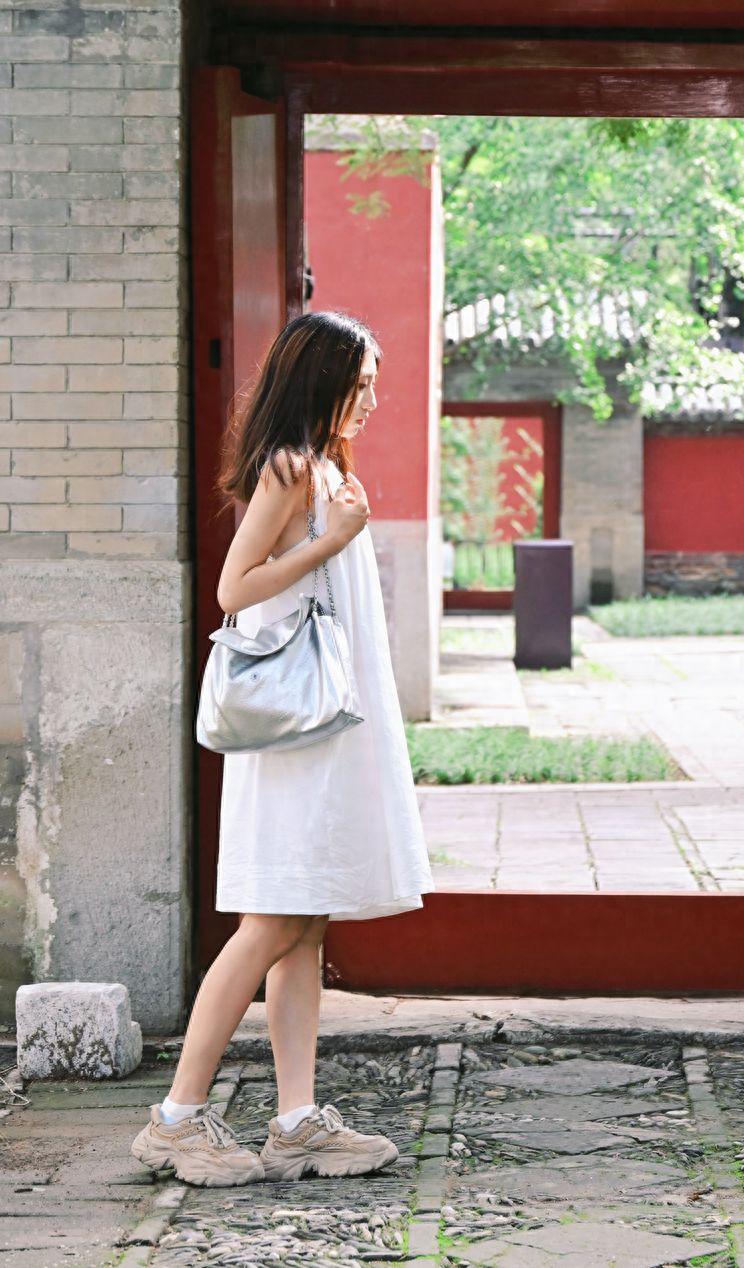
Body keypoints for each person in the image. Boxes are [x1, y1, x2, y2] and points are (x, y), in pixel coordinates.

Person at [131, 311, 434, 1187]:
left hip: (326, 731)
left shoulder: (328, 466)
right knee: (270, 920)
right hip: (295, 738)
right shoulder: (291, 472)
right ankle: (175, 1119)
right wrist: (333, 538)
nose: (375, 396)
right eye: (363, 380)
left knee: (304, 922)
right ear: (321, 381)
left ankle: (295, 1118)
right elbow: (234, 585)